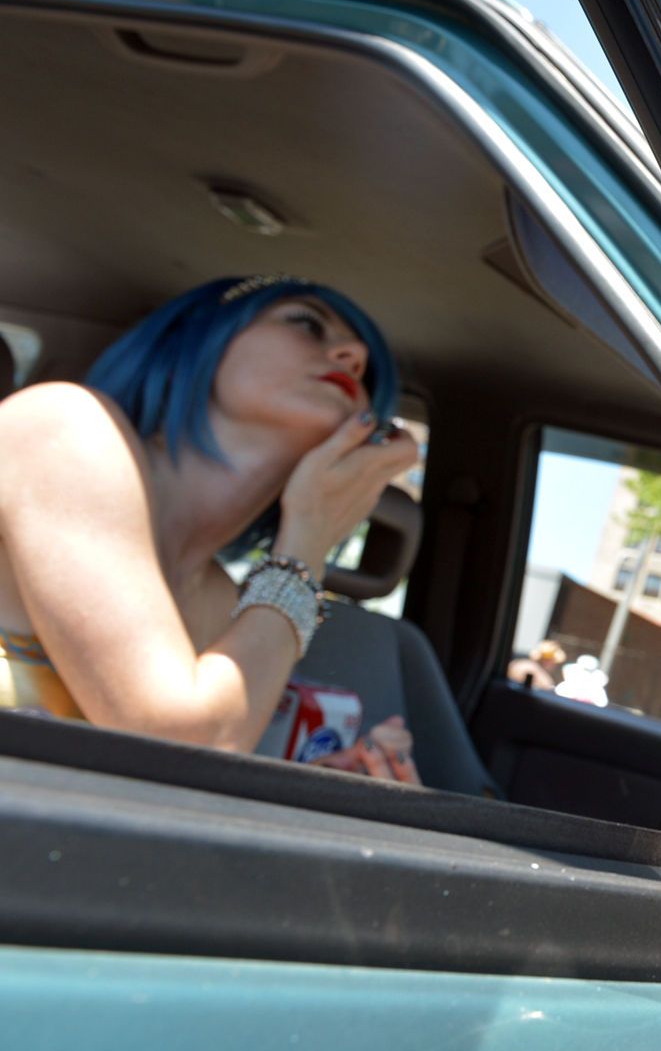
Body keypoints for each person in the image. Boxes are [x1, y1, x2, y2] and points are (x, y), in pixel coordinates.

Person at [0, 274, 421, 779]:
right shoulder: (64, 426)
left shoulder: (224, 604)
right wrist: (308, 542)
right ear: (195, 337)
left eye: (368, 376)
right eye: (307, 324)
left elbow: (189, 774)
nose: (353, 356)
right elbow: (176, 747)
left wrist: (328, 786)